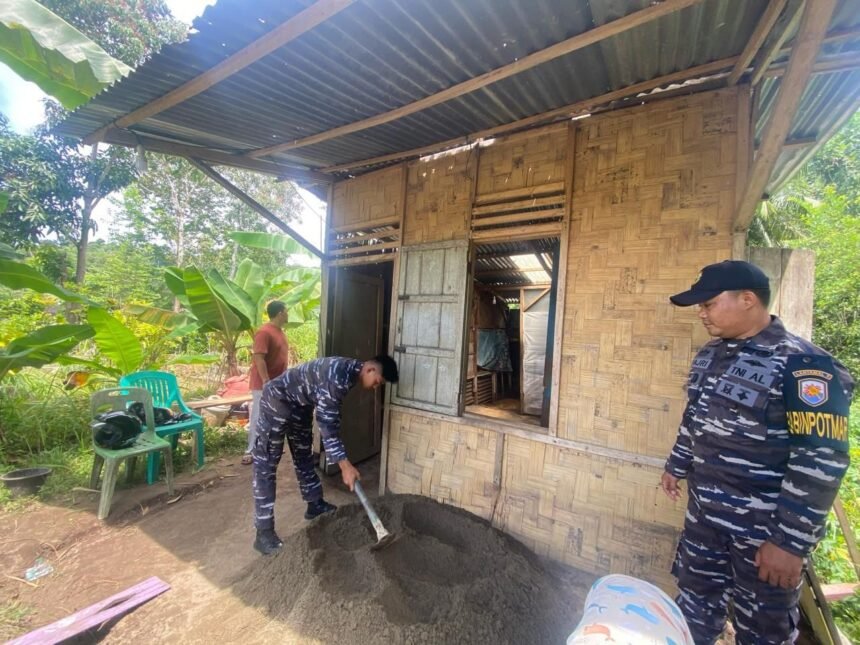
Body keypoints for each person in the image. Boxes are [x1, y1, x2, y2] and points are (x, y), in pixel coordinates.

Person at [660, 260, 853, 644]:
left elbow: (820, 461)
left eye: (708, 304)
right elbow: (695, 416)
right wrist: (676, 464)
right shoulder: (710, 355)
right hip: (705, 518)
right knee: (694, 606)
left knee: (763, 629)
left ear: (747, 299)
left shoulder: (805, 366)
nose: (701, 313)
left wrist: (789, 543)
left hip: (762, 529)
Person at [251, 354, 399, 555]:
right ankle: (264, 532)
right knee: (266, 463)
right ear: (370, 370)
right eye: (377, 382)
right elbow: (327, 424)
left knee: (304, 456)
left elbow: (330, 417)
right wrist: (345, 465)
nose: (375, 387)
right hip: (277, 401)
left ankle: (314, 504)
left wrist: (342, 460)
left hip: (300, 406)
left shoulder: (350, 375)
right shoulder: (337, 375)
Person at [242, 300, 290, 466]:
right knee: (258, 417)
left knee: (276, 417)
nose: (288, 314)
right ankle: (250, 451)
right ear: (280, 313)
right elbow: (259, 357)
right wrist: (265, 381)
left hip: (278, 383)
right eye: (286, 311)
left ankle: (270, 446)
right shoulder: (264, 332)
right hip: (264, 384)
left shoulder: (280, 332)